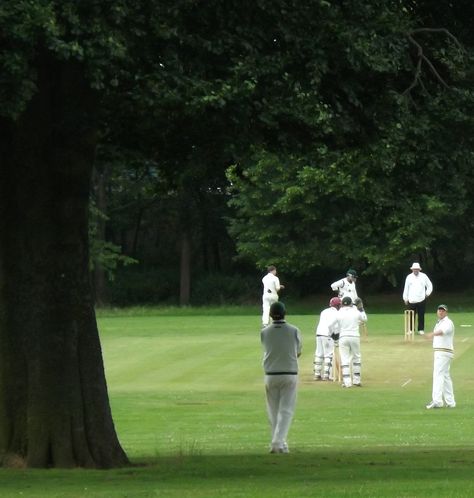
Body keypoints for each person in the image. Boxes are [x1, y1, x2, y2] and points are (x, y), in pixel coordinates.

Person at [261, 301, 302, 454]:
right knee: (286, 410)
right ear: (285, 313)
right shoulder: (294, 330)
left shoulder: (264, 332)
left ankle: (279, 443)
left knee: (273, 410)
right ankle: (278, 443)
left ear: (270, 314)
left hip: (270, 374)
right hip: (289, 373)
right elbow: (298, 351)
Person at [424, 304, 456, 409]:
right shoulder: (440, 322)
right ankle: (451, 402)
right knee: (445, 376)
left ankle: (437, 401)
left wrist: (431, 334)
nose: (441, 312)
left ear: (446, 312)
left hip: (443, 352)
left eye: (443, 311)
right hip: (442, 351)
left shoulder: (447, 322)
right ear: (437, 312)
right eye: (439, 310)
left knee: (438, 375)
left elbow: (442, 332)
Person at [338, 296, 367, 388]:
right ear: (351, 304)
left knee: (344, 359)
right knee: (356, 357)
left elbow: (332, 325)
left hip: (343, 337)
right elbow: (364, 319)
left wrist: (334, 334)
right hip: (354, 336)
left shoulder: (339, 312)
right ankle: (357, 380)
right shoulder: (355, 311)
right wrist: (361, 308)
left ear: (342, 304)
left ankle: (347, 383)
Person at [313, 297, 341, 381]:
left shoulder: (324, 311)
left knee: (319, 353)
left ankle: (317, 374)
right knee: (328, 354)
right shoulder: (337, 313)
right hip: (328, 334)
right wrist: (336, 338)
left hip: (318, 333)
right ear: (338, 305)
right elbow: (335, 327)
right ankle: (326, 375)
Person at [402, 262, 433, 335]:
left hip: (421, 299)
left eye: (417, 269)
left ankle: (421, 329)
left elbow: (430, 285)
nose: (415, 270)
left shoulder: (424, 276)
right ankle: (411, 330)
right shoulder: (409, 277)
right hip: (411, 299)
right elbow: (406, 288)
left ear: (419, 269)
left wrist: (427, 293)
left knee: (421, 315)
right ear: (412, 269)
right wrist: (405, 298)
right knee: (411, 315)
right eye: (414, 269)